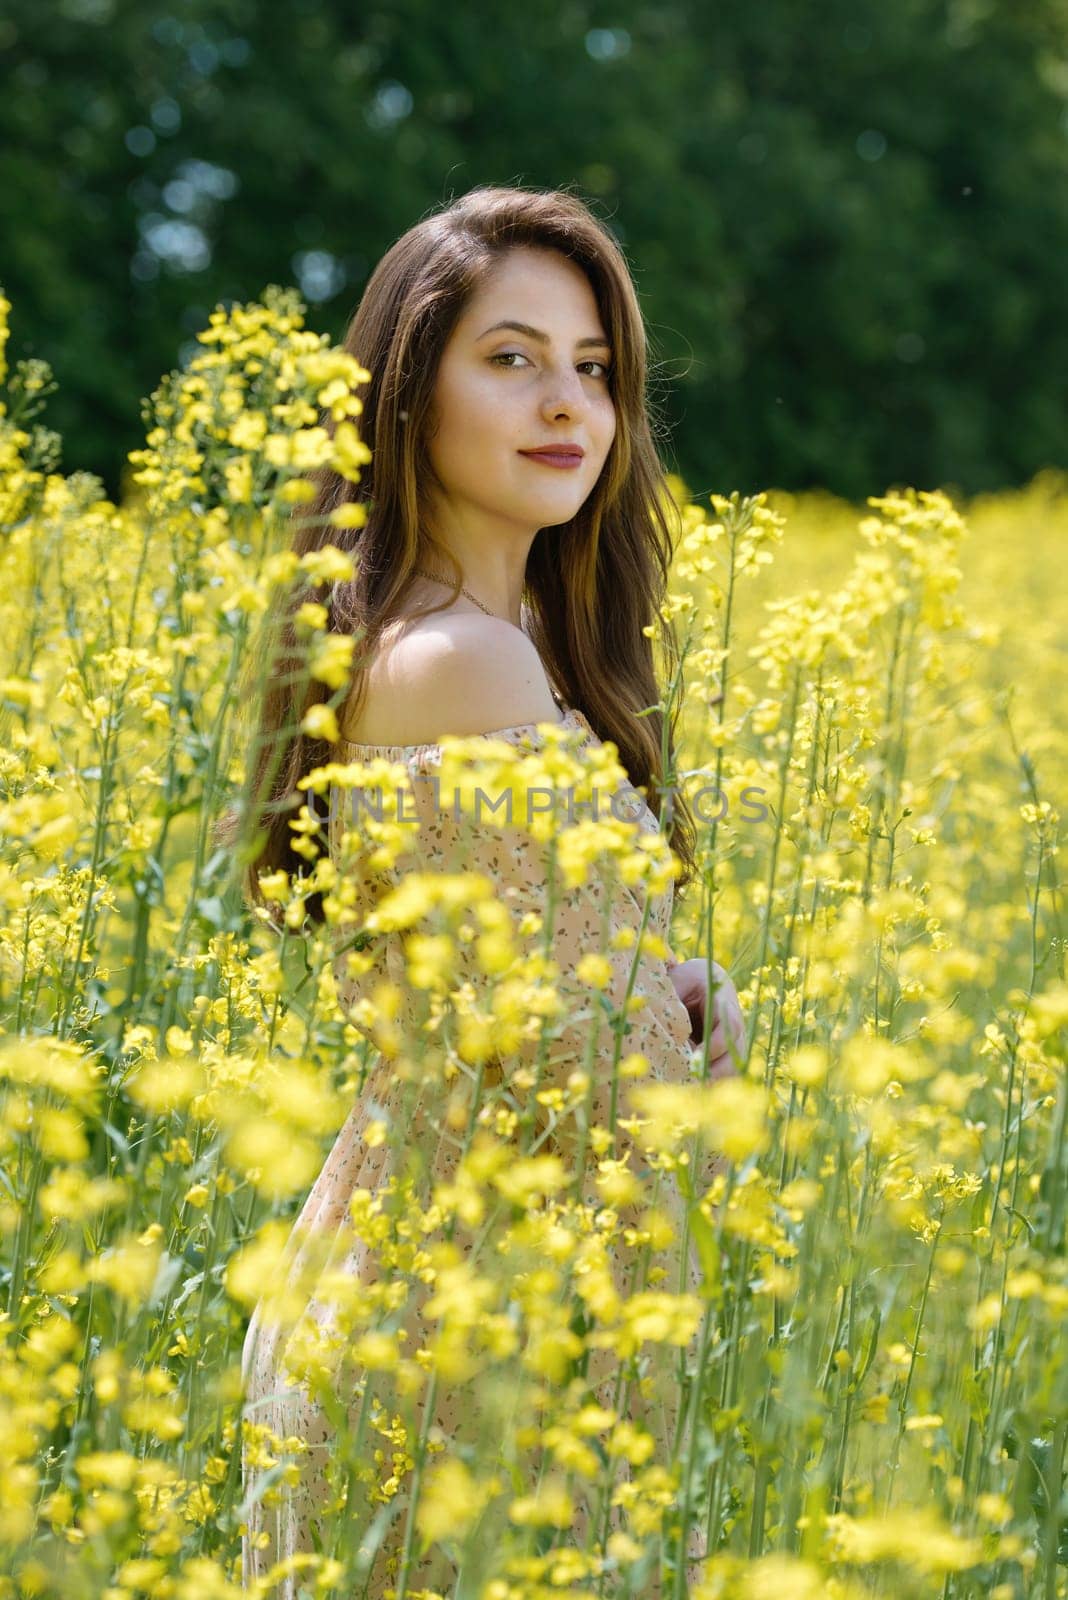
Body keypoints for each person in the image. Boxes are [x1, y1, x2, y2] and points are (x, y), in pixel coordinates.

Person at [234, 184, 746, 1598]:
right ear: (409, 390)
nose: (564, 402)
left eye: (593, 368)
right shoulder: (462, 661)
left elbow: (522, 995)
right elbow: (579, 1062)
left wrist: (666, 996)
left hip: (458, 1283)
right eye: (510, 357)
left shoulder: (463, 639)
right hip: (459, 1343)